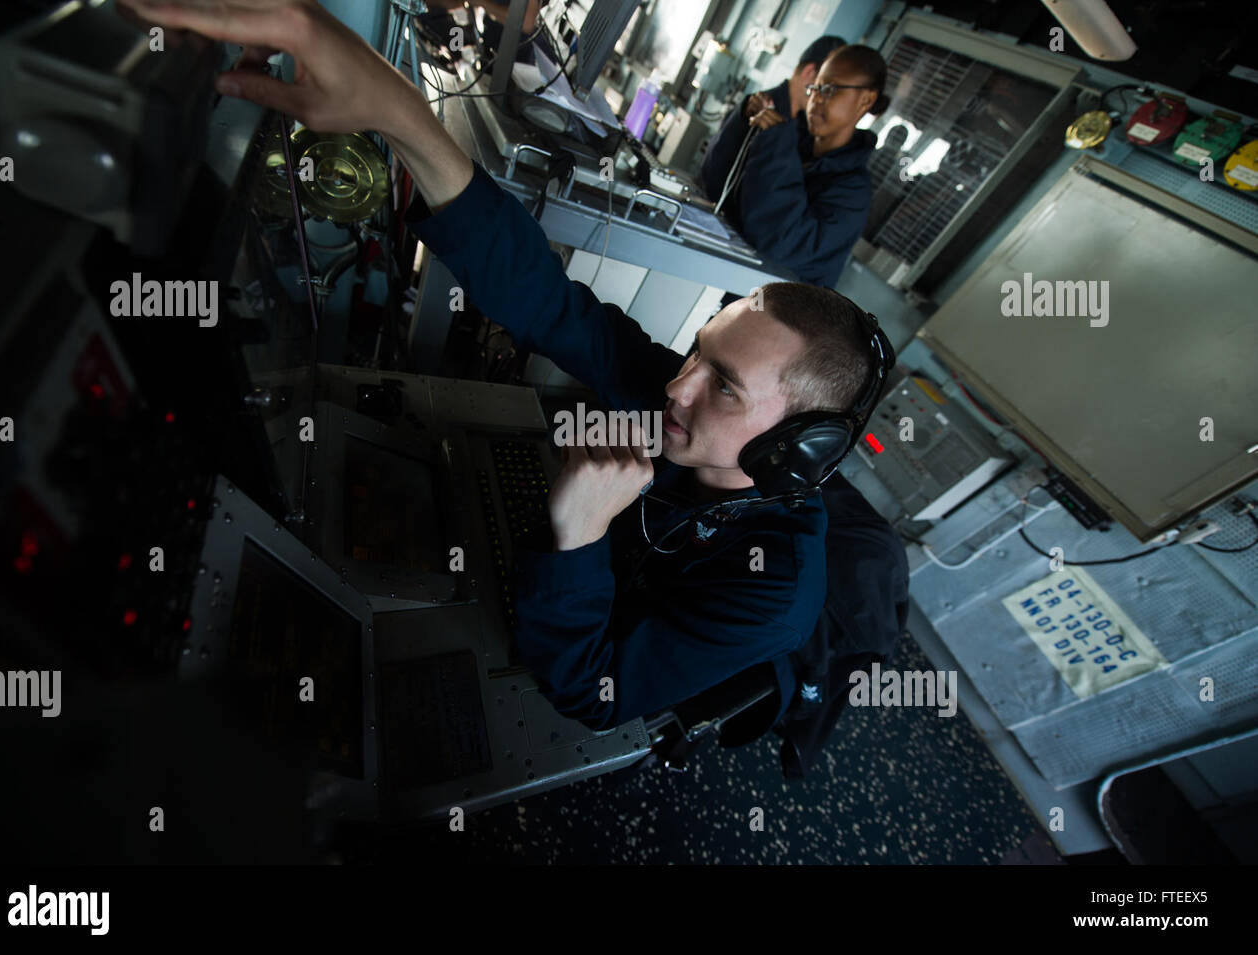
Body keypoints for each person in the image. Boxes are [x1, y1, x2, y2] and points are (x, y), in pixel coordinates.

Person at [119, 0, 880, 731]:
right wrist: (397, 112)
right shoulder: (677, 397)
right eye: (697, 352)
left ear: (795, 447)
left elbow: (594, 692)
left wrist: (577, 534)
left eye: (724, 385)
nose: (676, 385)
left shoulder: (773, 591)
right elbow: (550, 303)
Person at [700, 41, 891, 290]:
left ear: (865, 101)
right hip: (722, 275)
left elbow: (780, 243)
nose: (816, 100)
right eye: (815, 88)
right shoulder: (791, 139)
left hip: (765, 309)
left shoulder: (852, 189)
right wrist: (743, 122)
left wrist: (776, 142)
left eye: (831, 90)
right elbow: (714, 185)